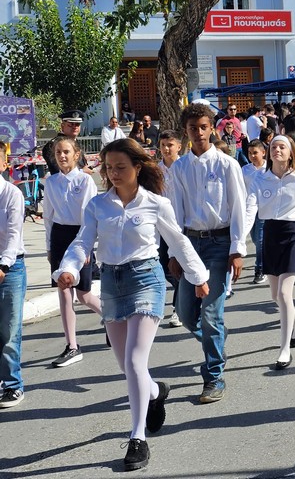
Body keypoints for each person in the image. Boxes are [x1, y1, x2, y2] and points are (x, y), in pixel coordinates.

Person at [54, 138, 210, 471]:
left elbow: (178, 242)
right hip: (112, 283)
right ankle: (154, 392)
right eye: (109, 168)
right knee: (127, 367)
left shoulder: (156, 204)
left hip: (146, 279)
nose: (113, 173)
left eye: (121, 167)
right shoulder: (98, 205)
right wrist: (68, 269)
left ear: (138, 167)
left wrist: (198, 276)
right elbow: (82, 242)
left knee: (136, 360)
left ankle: (137, 437)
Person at [167, 103, 247, 404]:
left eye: (203, 127)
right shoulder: (180, 168)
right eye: (193, 128)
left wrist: (237, 249)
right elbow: (175, 213)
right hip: (190, 245)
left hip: (219, 244)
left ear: (212, 128)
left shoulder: (227, 165)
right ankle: (217, 342)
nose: (199, 133)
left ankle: (213, 376)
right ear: (185, 132)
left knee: (211, 314)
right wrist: (174, 252)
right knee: (186, 314)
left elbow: (238, 207)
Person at [244, 136, 295, 369]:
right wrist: (240, 240)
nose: (277, 150)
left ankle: (284, 349)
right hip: (270, 233)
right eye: (273, 146)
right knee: (275, 295)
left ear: (291, 152)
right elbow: (250, 210)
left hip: (293, 233)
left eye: (282, 147)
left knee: (285, 293)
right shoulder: (259, 179)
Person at [43, 137, 103, 367]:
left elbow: (89, 216)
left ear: (77, 155)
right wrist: (49, 247)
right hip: (60, 236)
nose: (62, 156)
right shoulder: (51, 182)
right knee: (64, 290)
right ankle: (72, 346)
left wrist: (86, 246)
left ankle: (112, 320)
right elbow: (48, 217)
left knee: (84, 295)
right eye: (58, 152)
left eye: (66, 151)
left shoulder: (85, 181)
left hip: (80, 236)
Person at [0, 141, 27, 409]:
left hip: (10, 268)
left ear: (4, 163)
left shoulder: (11, 194)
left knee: (9, 331)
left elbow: (13, 235)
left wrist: (3, 267)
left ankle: (12, 385)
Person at [156, 130, 183, 328]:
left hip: (182, 225)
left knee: (180, 267)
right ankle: (186, 296)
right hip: (162, 226)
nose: (166, 149)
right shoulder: (155, 171)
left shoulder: (186, 167)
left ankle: (178, 309)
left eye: (170, 145)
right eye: (163, 145)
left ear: (179, 147)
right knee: (165, 267)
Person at [243, 140, 268, 284]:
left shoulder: (269, 168)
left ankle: (260, 269)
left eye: (255, 153)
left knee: (260, 240)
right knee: (254, 238)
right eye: (250, 153)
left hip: (264, 208)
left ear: (263, 153)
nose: (252, 156)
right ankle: (265, 259)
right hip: (249, 209)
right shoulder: (245, 170)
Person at [42, 110, 91, 175]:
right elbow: (58, 170)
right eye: (71, 124)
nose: (74, 127)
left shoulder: (76, 143)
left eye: (77, 124)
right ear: (62, 126)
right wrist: (82, 171)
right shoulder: (53, 145)